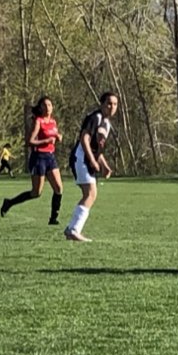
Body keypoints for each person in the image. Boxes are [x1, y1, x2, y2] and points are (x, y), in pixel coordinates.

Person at [63, 91, 120, 242]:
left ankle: (72, 229)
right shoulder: (96, 117)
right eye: (108, 103)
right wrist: (92, 161)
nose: (111, 107)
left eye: (115, 104)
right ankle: (73, 230)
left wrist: (104, 165)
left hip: (87, 160)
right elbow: (85, 139)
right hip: (80, 159)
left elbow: (97, 149)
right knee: (90, 194)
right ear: (102, 104)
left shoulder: (106, 124)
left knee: (91, 194)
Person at [0, 96, 63, 224]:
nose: (48, 107)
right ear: (40, 107)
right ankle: (9, 202)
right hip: (39, 157)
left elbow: (55, 136)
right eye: (45, 105)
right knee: (36, 193)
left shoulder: (53, 122)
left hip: (50, 157)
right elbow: (30, 142)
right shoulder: (38, 121)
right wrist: (46, 140)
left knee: (58, 188)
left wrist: (58, 136)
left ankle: (53, 218)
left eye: (50, 105)